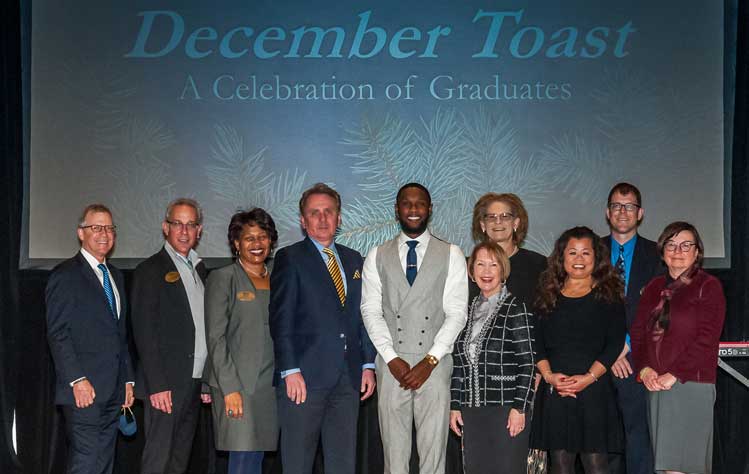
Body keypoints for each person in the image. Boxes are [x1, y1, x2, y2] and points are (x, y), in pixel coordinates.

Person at [269, 183, 377, 474]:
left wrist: (368, 363)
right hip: (304, 379)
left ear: (339, 218)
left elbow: (362, 317)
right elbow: (281, 319)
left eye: (328, 211)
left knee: (343, 464)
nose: (322, 218)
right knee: (298, 464)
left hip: (348, 379)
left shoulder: (354, 259)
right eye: (314, 213)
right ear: (303, 221)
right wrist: (289, 370)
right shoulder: (290, 258)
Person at [361, 182, 468, 474]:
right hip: (391, 362)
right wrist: (390, 357)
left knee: (433, 454)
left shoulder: (452, 254)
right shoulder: (376, 255)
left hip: (434, 363)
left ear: (429, 209)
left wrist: (431, 360)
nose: (413, 209)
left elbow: (457, 313)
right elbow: (370, 311)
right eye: (406, 204)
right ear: (397, 210)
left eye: (419, 203)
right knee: (393, 456)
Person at [46, 204, 134, 474]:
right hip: (83, 393)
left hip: (113, 392)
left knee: (103, 464)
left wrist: (128, 379)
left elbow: (119, 335)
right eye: (96, 227)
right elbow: (58, 333)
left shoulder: (116, 276)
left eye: (109, 228)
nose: (104, 234)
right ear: (81, 233)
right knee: (86, 463)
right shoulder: (65, 275)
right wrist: (77, 380)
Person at [631, 222, 725, 474]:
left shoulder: (708, 285)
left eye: (686, 245)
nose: (678, 250)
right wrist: (645, 369)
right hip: (657, 386)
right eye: (671, 244)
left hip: (690, 384)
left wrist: (673, 375)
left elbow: (707, 338)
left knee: (682, 467)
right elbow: (639, 334)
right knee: (666, 467)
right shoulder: (652, 288)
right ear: (662, 251)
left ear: (697, 252)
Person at [530, 226, 626, 474]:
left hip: (594, 392)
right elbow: (536, 343)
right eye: (572, 253)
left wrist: (588, 379)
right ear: (562, 258)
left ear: (597, 258)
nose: (579, 259)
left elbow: (614, 344)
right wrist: (550, 377)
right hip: (556, 392)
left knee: (597, 467)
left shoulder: (610, 295)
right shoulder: (546, 294)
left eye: (586, 253)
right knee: (560, 467)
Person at [131, 198, 212, 474]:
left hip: (193, 380)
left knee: (179, 460)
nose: (184, 231)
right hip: (164, 384)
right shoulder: (149, 270)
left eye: (191, 224)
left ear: (199, 230)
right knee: (158, 460)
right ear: (166, 227)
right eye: (178, 223)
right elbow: (144, 331)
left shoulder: (200, 270)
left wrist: (206, 382)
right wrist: (157, 384)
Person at [204, 208, 279, 474]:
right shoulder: (223, 278)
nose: (257, 244)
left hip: (268, 388)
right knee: (242, 461)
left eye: (263, 237)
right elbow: (215, 337)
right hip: (237, 386)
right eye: (249, 238)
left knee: (256, 459)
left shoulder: (278, 278)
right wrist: (230, 389)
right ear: (236, 243)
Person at [449, 241, 535, 474]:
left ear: (502, 270)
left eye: (493, 265)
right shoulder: (465, 311)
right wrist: (455, 406)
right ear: (471, 270)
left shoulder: (516, 308)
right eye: (480, 264)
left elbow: (528, 364)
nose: (486, 271)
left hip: (506, 410)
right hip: (472, 412)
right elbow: (459, 365)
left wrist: (520, 408)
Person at [602, 182, 661, 474]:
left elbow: (661, 311)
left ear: (640, 213)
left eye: (629, 206)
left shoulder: (659, 254)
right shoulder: (590, 252)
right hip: (597, 360)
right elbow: (582, 309)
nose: (622, 212)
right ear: (607, 212)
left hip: (641, 359)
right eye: (616, 205)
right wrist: (611, 350)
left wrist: (627, 344)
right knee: (603, 441)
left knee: (639, 437)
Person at [470, 192, 547, 305]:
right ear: (483, 225)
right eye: (491, 217)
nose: (498, 222)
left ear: (515, 223)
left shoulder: (538, 264)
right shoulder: (468, 267)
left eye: (505, 216)